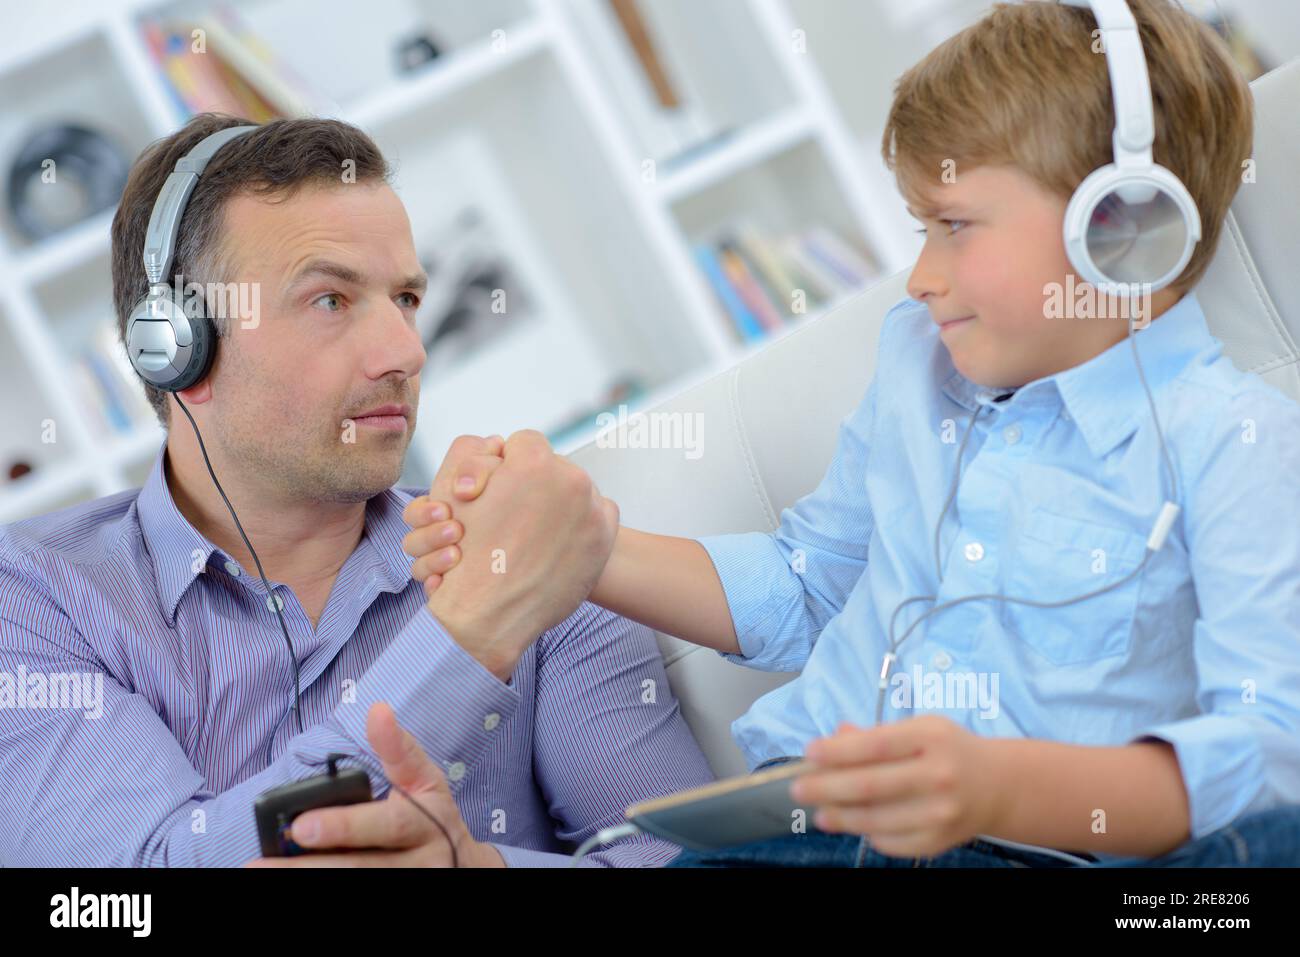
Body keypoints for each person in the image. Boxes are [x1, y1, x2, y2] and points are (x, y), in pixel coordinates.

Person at [413, 0, 1300, 867]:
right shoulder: (920, 365)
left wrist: (1001, 787)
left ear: (1124, 227)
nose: (918, 276)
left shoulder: (1234, 445)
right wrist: (576, 543)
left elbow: (1267, 756)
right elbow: (808, 589)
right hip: (790, 827)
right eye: (922, 229)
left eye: (954, 226)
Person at [0, 114, 714, 867]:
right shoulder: (37, 599)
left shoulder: (529, 553)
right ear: (176, 346)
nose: (407, 351)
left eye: (405, 299)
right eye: (331, 301)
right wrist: (468, 636)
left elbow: (682, 860)